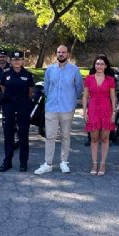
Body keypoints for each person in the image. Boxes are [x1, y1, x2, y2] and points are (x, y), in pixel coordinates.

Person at [34, 45, 83, 175]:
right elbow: (47, 88)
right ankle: (48, 163)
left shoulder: (74, 70)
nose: (61, 54)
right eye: (59, 52)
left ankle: (63, 162)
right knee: (50, 136)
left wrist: (70, 99)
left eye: (63, 52)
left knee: (65, 136)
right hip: (51, 108)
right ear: (56, 54)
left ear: (68, 54)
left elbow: (79, 89)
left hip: (67, 108)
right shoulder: (50, 70)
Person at [0, 50, 35, 172]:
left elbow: (30, 91)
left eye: (19, 60)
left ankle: (23, 162)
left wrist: (24, 102)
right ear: (11, 61)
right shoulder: (6, 73)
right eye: (14, 60)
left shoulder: (28, 75)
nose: (17, 62)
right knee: (8, 134)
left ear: (22, 61)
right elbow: (3, 88)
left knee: (23, 135)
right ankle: (7, 161)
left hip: (23, 107)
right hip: (9, 107)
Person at [82, 55, 116, 176]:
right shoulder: (88, 78)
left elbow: (113, 97)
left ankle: (102, 164)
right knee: (94, 138)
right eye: (97, 64)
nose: (99, 66)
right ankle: (94, 163)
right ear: (94, 65)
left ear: (106, 66)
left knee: (105, 138)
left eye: (102, 64)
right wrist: (84, 111)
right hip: (93, 110)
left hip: (106, 109)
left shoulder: (110, 80)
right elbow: (85, 96)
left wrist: (114, 113)